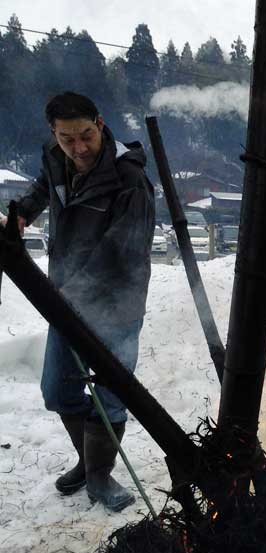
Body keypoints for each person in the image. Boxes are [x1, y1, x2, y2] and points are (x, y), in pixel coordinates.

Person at [3, 92, 155, 512]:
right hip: (65, 299)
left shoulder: (130, 180)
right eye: (67, 138)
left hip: (116, 305)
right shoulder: (55, 155)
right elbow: (43, 187)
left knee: (111, 395)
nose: (79, 148)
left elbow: (122, 250)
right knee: (58, 390)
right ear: (54, 134)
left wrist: (74, 293)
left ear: (101, 124)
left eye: (86, 135)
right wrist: (23, 213)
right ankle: (90, 463)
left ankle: (100, 477)